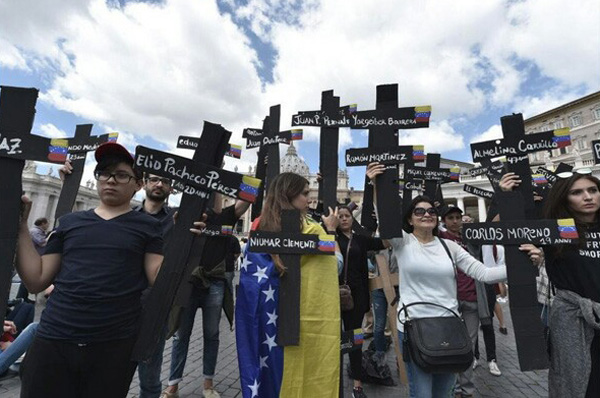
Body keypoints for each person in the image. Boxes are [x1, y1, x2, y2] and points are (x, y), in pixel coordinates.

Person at [15, 142, 204, 398]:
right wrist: (20, 227)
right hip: (54, 339)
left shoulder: (148, 227)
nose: (110, 180)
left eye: (121, 175)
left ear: (138, 184)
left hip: (113, 345)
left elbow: (159, 280)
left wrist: (186, 242)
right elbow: (36, 280)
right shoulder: (69, 223)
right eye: (104, 172)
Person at [366, 162, 507, 398]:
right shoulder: (403, 242)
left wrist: (518, 266)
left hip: (449, 327)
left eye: (431, 211)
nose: (427, 214)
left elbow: (484, 273)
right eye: (419, 211)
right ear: (410, 220)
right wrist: (376, 185)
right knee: (422, 394)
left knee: (445, 393)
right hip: (412, 327)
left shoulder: (450, 246)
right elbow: (386, 213)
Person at [235, 172, 343, 398]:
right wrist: (331, 231)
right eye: (304, 194)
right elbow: (334, 265)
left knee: (275, 379)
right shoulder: (312, 229)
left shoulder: (259, 228)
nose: (309, 199)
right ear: (289, 195)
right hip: (304, 324)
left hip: (270, 325)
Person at [504, 170, 600, 398]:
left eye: (593, 190)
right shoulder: (556, 230)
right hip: (574, 322)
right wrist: (508, 196)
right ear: (563, 198)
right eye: (577, 192)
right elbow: (514, 233)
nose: (588, 197)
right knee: (580, 386)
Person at [161, 196, 251, 398]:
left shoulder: (225, 217)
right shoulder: (182, 215)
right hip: (188, 284)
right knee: (181, 336)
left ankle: (208, 383)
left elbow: (248, 196)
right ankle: (172, 384)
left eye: (218, 193)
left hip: (214, 282)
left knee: (212, 335)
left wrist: (261, 166)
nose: (215, 200)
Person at [335, 205, 385, 398]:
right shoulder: (330, 237)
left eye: (347, 215)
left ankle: (357, 382)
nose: (345, 219)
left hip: (355, 295)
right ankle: (334, 380)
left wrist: (387, 222)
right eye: (340, 216)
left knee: (354, 336)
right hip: (332, 293)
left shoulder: (360, 239)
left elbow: (385, 243)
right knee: (334, 338)